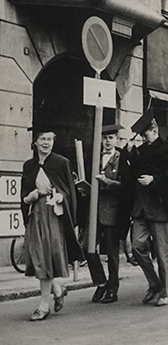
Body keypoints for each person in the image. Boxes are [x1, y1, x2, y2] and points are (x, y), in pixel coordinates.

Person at [21, 128, 84, 321]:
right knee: (39, 256)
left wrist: (59, 197)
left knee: (46, 257)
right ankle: (57, 288)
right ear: (35, 142)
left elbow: (69, 191)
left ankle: (43, 305)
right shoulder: (29, 166)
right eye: (43, 139)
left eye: (50, 139)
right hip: (36, 216)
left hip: (54, 216)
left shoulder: (61, 162)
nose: (46, 143)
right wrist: (29, 198)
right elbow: (24, 195)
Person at [128, 111, 168, 306]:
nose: (144, 138)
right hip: (141, 207)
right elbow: (132, 174)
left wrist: (154, 180)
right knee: (136, 247)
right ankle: (155, 283)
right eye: (142, 135)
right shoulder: (140, 150)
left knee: (162, 253)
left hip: (160, 208)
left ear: (156, 130)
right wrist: (130, 153)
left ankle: (165, 292)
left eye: (146, 134)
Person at [82, 124, 132, 304]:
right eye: (104, 138)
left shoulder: (122, 157)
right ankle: (101, 283)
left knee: (112, 253)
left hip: (111, 211)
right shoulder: (93, 156)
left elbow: (126, 186)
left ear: (117, 139)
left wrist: (108, 182)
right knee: (86, 247)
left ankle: (112, 288)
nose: (107, 142)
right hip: (93, 210)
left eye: (111, 138)